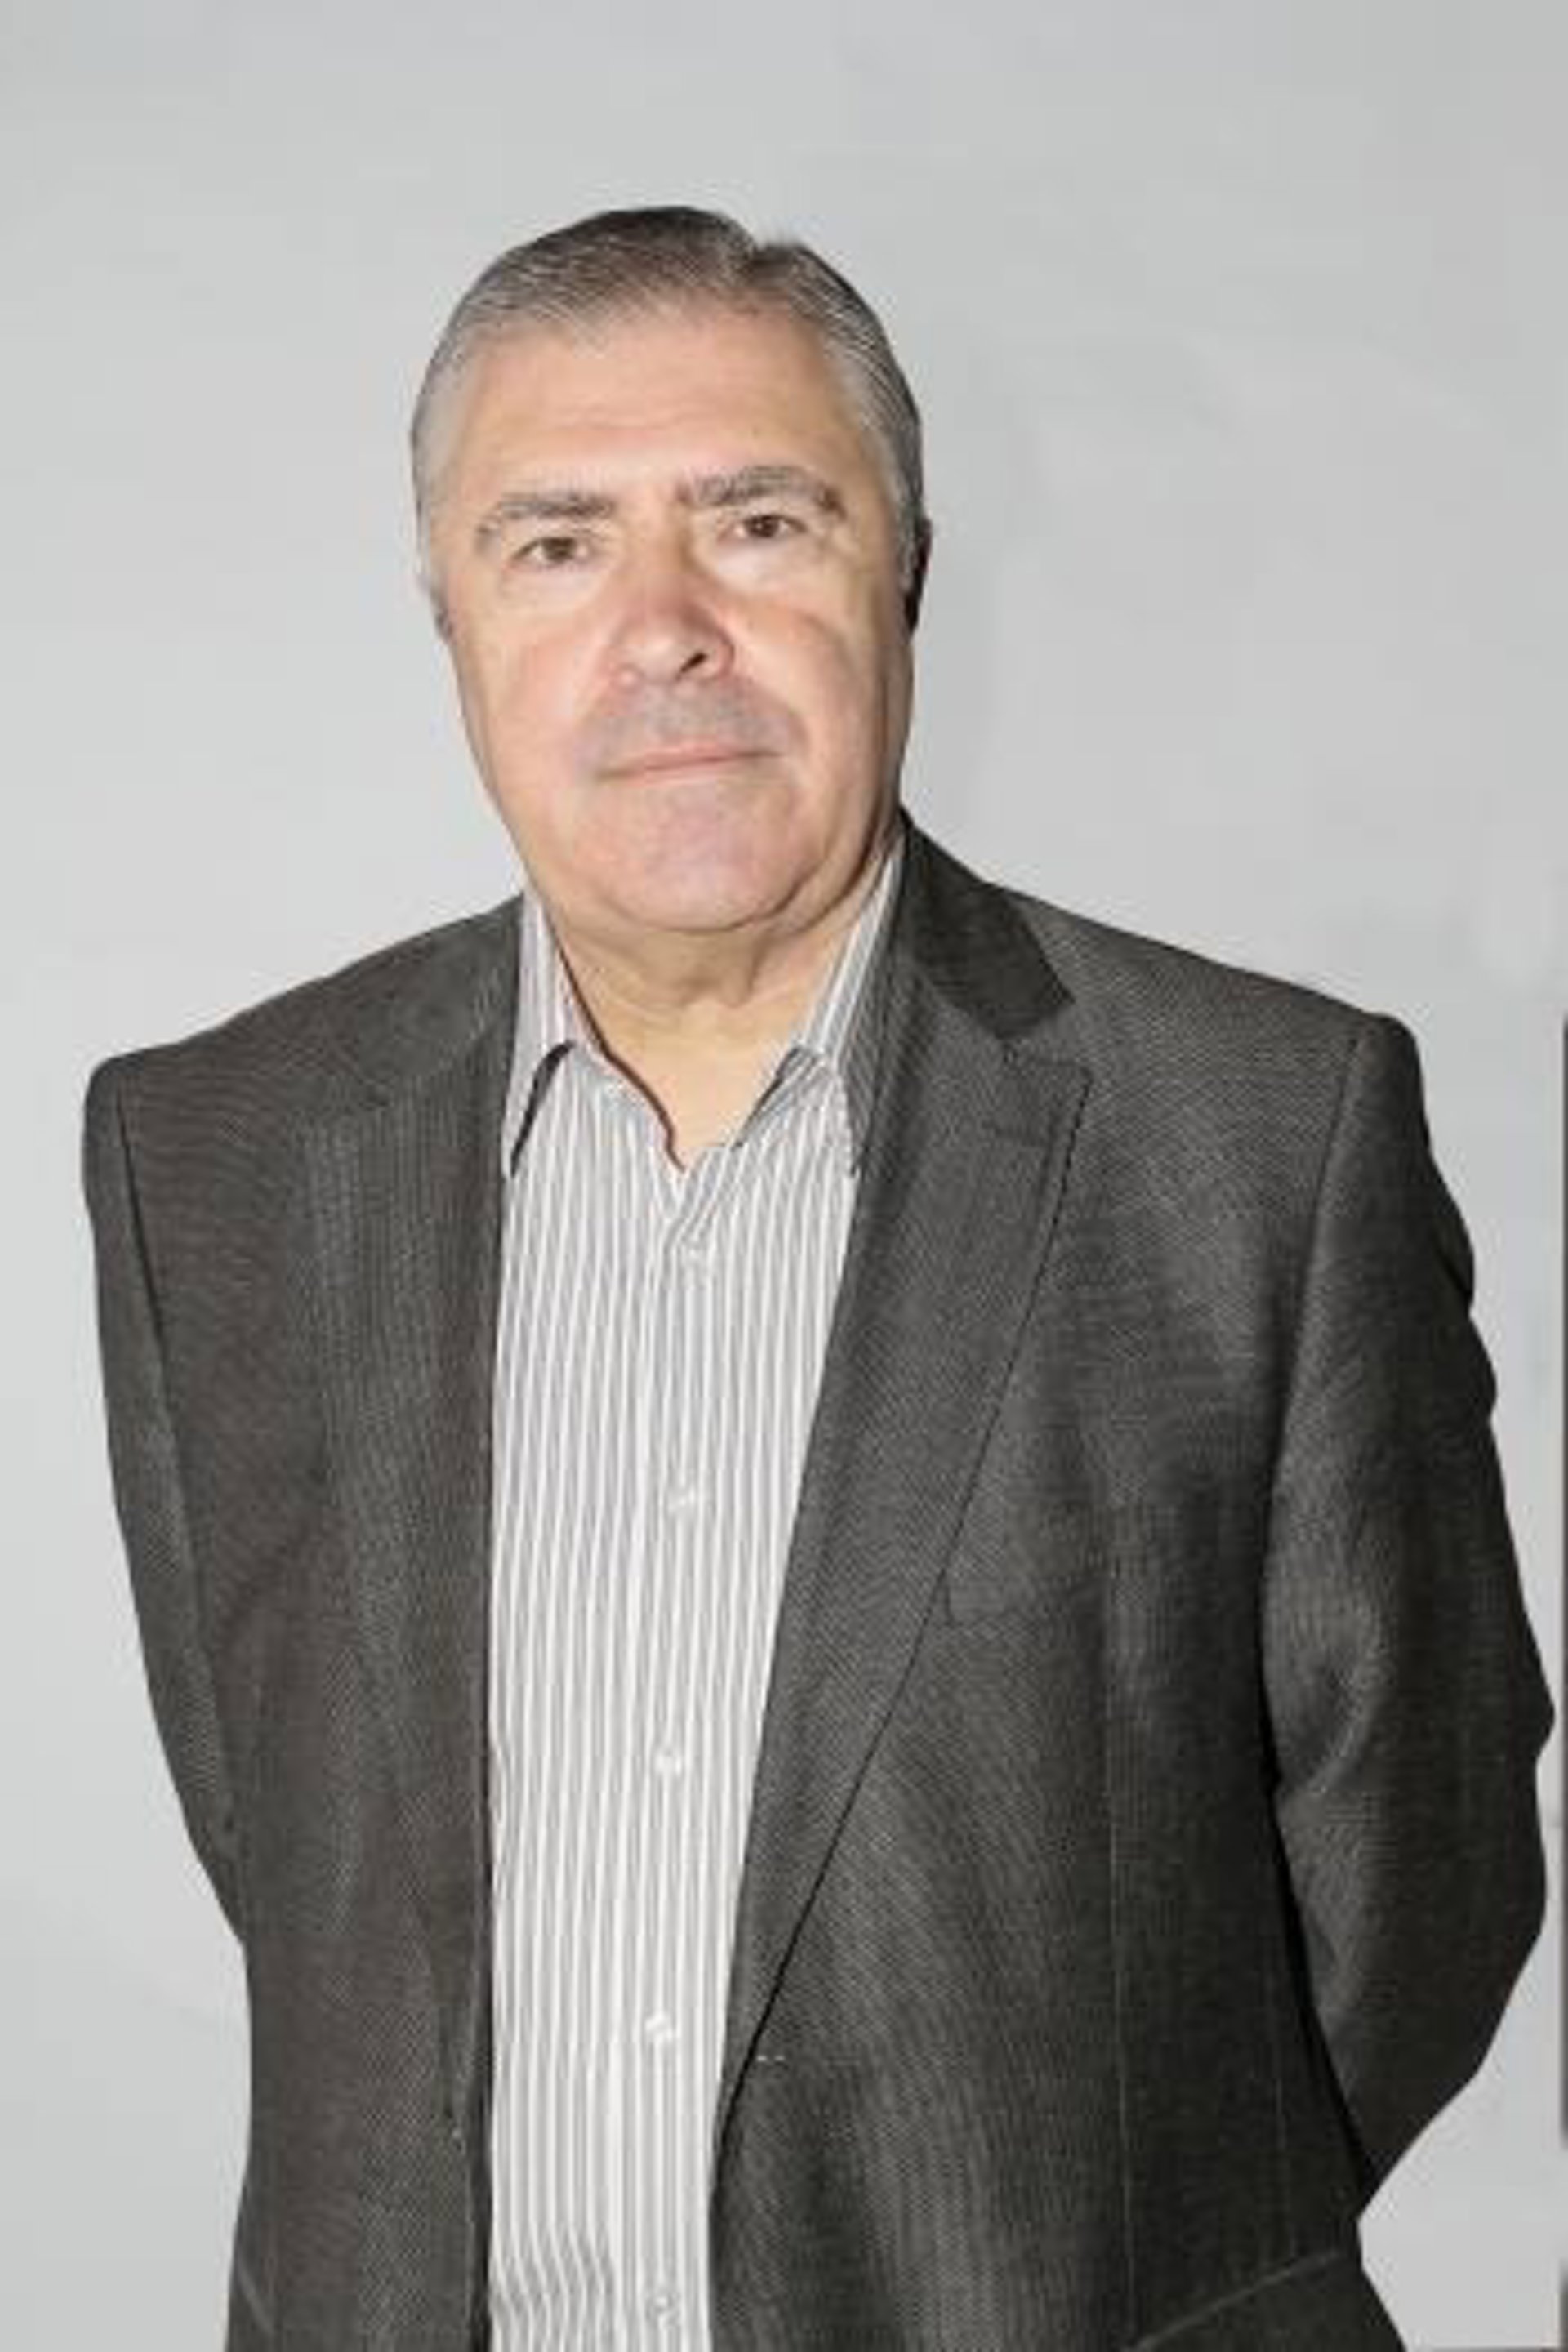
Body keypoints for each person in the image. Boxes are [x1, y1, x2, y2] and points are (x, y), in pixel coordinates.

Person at [81, 204, 1552, 2351]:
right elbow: (292, 1856)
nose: (664, 631)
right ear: (448, 617)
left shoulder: (1259, 1136)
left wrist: (1110, 2265)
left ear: (908, 571)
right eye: (555, 544)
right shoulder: (211, 1152)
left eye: (759, 522)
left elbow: (1422, 1866)